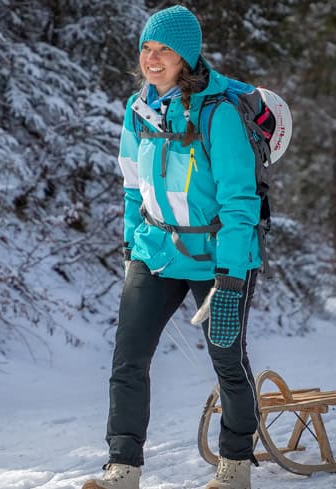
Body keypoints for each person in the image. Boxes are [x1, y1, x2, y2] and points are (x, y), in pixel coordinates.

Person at [82, 5, 262, 489]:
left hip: (218, 260)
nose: (153, 58)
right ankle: (123, 467)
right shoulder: (137, 108)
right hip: (156, 252)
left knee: (227, 360)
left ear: (187, 58)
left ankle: (236, 464)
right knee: (128, 358)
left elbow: (240, 200)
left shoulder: (217, 112)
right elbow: (132, 187)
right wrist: (129, 250)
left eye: (165, 50)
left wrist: (231, 273)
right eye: (147, 48)